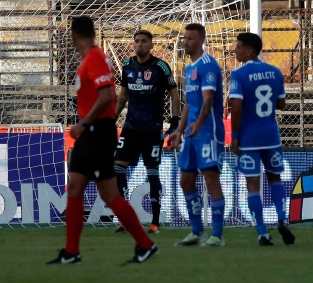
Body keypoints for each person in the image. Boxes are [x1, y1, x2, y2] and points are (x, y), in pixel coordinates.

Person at [48, 16, 157, 266]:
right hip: (91, 133)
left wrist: (84, 123)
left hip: (97, 132)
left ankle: (146, 244)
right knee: (75, 188)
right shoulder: (91, 58)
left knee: (108, 194)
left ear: (74, 36)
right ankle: (71, 252)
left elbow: (107, 96)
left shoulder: (95, 58)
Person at [228, 32, 296, 247]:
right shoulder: (275, 72)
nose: (234, 50)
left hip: (249, 137)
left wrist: (235, 136)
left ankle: (262, 233)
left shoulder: (239, 75)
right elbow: (282, 104)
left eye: (238, 47)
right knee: (275, 178)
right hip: (271, 135)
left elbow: (236, 107)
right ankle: (282, 219)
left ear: (249, 51)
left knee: (253, 185)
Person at [114, 29, 181, 235]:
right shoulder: (127, 65)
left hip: (151, 129)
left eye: (144, 41)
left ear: (151, 45)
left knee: (152, 172)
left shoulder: (160, 66)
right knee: (117, 168)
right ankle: (125, 219)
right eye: (137, 41)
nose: (140, 44)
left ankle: (154, 222)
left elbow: (174, 94)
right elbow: (123, 95)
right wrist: (112, 119)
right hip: (131, 128)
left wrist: (175, 120)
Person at [165, 23, 226, 247]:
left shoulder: (208, 66)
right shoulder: (188, 69)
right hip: (191, 133)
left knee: (211, 179)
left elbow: (208, 99)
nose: (185, 42)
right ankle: (197, 231)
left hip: (208, 132)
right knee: (185, 181)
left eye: (189, 39)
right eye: (184, 38)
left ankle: (217, 236)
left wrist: (199, 124)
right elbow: (189, 104)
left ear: (200, 41)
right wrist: (179, 131)